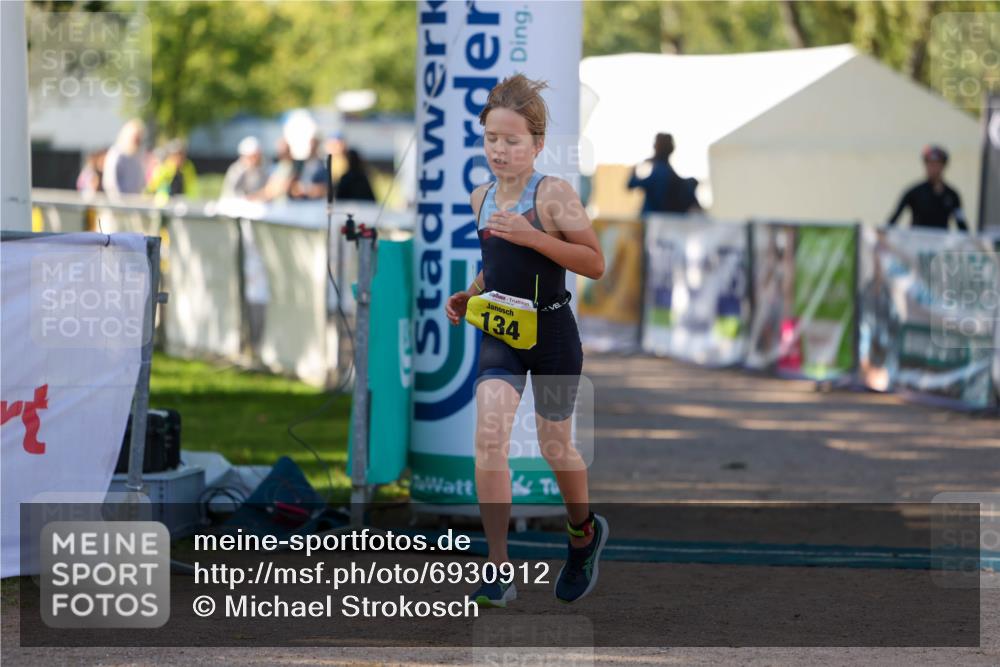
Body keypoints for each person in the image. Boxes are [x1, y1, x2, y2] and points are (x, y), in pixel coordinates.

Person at [444, 74, 608, 608]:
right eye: (491, 138)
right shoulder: (480, 196)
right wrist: (470, 294)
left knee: (554, 445)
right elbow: (497, 268)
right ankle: (497, 569)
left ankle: (583, 534)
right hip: (503, 333)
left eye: (512, 140)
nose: (499, 149)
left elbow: (595, 263)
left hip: (555, 336)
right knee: (489, 439)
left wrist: (534, 234)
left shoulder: (554, 194)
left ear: (536, 145)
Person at [887, 145, 968, 231]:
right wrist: (883, 233)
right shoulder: (914, 192)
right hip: (916, 241)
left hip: (941, 242)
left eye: (937, 164)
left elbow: (961, 223)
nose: (933, 168)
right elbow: (894, 218)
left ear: (943, 166)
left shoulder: (952, 194)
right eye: (930, 164)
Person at [627, 133, 700, 215]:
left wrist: (634, 170)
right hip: (668, 221)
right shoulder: (671, 174)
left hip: (653, 222)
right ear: (672, 149)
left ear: (656, 148)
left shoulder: (657, 174)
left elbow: (630, 185)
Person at [102, 119, 146, 197]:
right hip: (119, 205)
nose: (138, 141)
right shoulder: (117, 154)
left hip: (133, 204)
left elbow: (140, 183)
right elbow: (111, 182)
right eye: (136, 138)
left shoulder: (138, 156)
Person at [289, 135, 328, 200]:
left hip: (316, 202)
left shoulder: (323, 165)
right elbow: (292, 187)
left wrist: (307, 190)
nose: (311, 148)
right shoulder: (300, 164)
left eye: (314, 145)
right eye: (310, 145)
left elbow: (324, 189)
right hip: (299, 201)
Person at [262, 138, 296, 202]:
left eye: (284, 150)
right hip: (274, 203)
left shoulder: (293, 167)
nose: (281, 152)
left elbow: (284, 187)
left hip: (286, 204)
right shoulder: (277, 166)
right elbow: (269, 187)